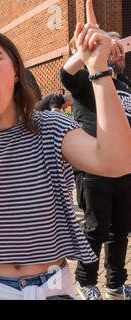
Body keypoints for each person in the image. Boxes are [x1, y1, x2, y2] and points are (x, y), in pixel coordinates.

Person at [0, 19, 131, 299]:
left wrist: (98, 69)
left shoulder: (52, 128)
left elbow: (118, 162)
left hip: (54, 287)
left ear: (16, 72)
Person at [61, 29, 131, 300]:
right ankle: (86, 281)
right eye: (110, 42)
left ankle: (114, 284)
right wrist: (89, 54)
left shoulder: (124, 83)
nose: (117, 48)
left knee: (120, 230)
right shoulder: (84, 80)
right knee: (95, 229)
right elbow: (65, 74)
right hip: (93, 170)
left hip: (124, 169)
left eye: (120, 43)